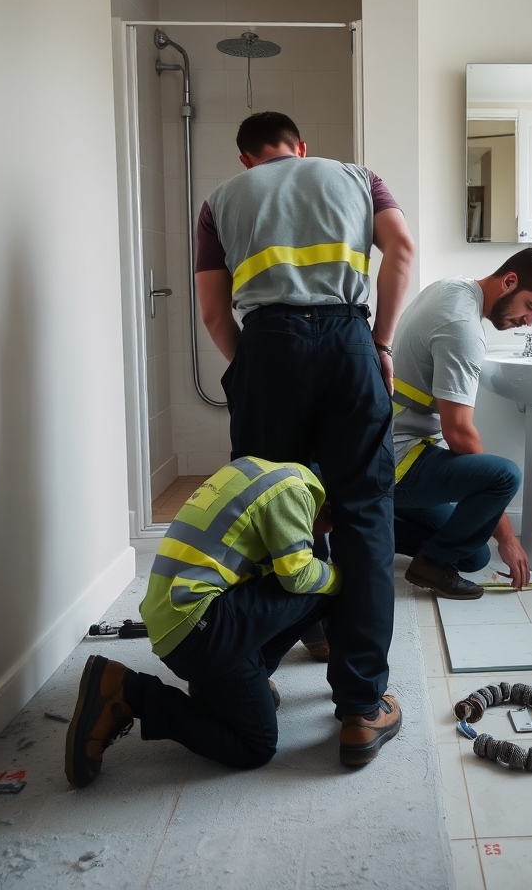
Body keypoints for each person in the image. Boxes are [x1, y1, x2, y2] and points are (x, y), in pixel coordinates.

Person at [194, 112, 414, 764]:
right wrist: (381, 342)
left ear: (246, 159)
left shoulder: (220, 202)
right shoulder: (360, 178)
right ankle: (361, 710)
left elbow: (213, 311)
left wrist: (250, 369)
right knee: (365, 518)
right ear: (301, 147)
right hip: (349, 341)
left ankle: (250, 670)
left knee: (269, 516)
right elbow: (401, 250)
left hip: (268, 348)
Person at [65, 458, 394, 785]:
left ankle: (229, 682)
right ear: (330, 508)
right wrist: (348, 578)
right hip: (199, 627)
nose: (327, 533)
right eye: (333, 525)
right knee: (255, 747)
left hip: (180, 621)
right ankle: (128, 691)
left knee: (299, 584)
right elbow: (298, 575)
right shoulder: (293, 493)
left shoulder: (255, 470)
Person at [392, 247, 532, 598]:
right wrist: (508, 536)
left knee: (474, 555)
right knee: (505, 476)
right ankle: (430, 564)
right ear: (509, 281)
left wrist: (498, 532)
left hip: (393, 445)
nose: (529, 321)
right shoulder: (462, 328)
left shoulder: (452, 288)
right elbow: (458, 432)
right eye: (531, 307)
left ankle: (368, 524)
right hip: (397, 459)